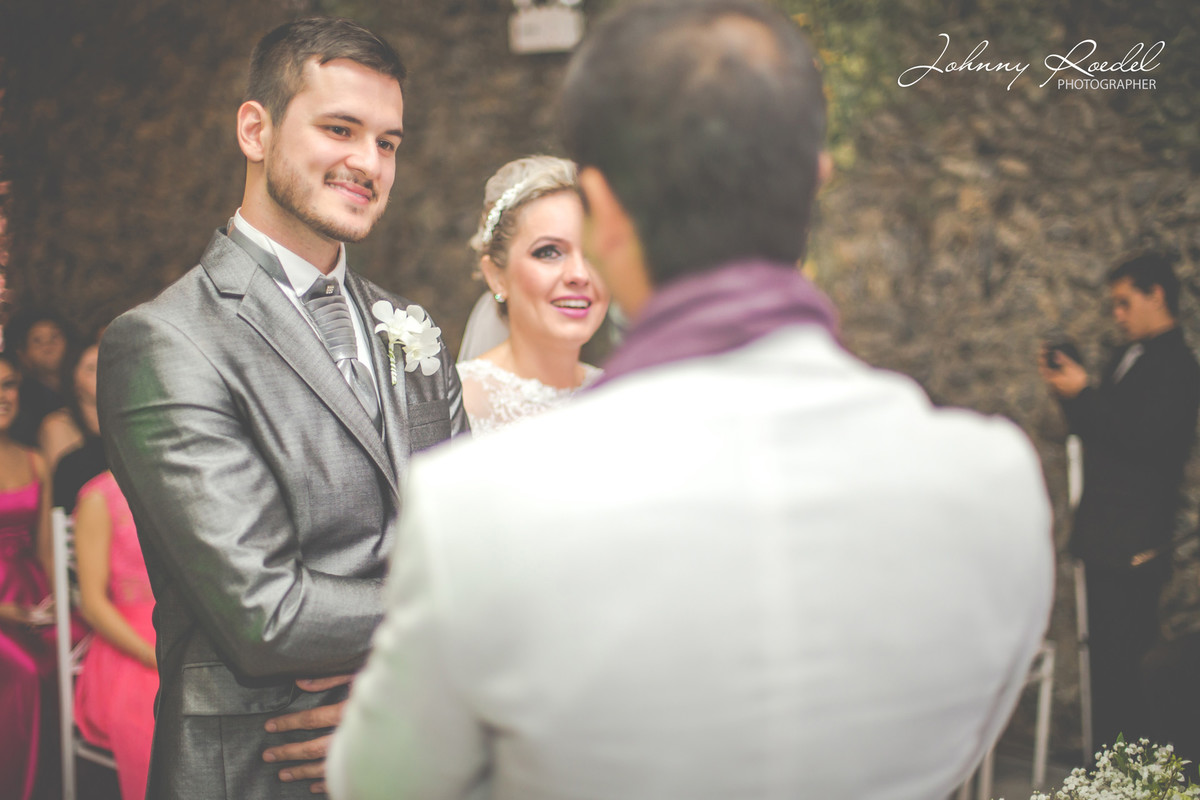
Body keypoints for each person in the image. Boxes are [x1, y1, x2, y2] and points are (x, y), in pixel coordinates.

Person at [326, 2, 1054, 798]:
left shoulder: (474, 511)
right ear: (817, 177)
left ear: (603, 212)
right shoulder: (998, 484)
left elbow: (383, 789)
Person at [96, 17, 468, 799]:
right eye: (340, 129)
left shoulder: (413, 327)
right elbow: (268, 615)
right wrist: (461, 613)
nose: (369, 163)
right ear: (255, 130)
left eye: (389, 142)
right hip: (264, 770)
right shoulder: (166, 341)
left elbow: (472, 536)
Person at [1040, 253, 1200, 749]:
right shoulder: (1123, 356)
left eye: (1125, 303)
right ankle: (1107, 759)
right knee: (1103, 661)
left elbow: (1143, 440)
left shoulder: (1178, 366)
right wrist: (1072, 393)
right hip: (1104, 532)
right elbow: (1099, 432)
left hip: (1136, 539)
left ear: (1157, 295)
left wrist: (1086, 392)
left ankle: (1129, 767)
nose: (1117, 315)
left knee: (1131, 661)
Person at [457, 156, 609, 434]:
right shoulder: (457, 403)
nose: (580, 274)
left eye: (594, 253)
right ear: (496, 276)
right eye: (549, 252)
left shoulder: (623, 395)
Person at [73, 469, 157, 800]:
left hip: (184, 628)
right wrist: (151, 654)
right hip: (128, 643)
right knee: (163, 714)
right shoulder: (99, 497)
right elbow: (92, 605)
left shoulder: (186, 482)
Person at [0, 352, 57, 800]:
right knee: (26, 669)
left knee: (76, 646)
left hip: (30, 590)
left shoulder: (36, 460)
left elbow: (45, 548)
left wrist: (60, 601)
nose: (2, 396)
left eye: (8, 384)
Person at [49, 340, 107, 514]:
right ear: (74, 380)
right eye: (91, 369)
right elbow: (62, 493)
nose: (102, 374)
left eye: (106, 366)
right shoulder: (58, 425)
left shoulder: (121, 424)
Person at [6, 309, 70, 449]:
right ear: (22, 354)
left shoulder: (80, 387)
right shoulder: (22, 402)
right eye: (37, 340)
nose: (48, 345)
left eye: (54, 336)